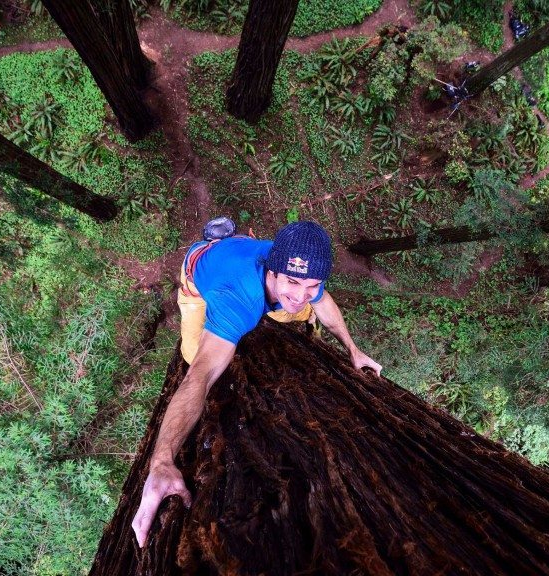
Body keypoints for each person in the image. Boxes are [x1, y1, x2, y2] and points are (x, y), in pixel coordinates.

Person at [131, 220, 382, 547]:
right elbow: (200, 378)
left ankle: (228, 240)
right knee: (194, 355)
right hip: (200, 279)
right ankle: (215, 246)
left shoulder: (297, 271)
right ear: (273, 272)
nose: (301, 293)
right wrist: (161, 462)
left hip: (244, 262)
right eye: (292, 282)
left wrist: (352, 348)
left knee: (296, 310)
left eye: (311, 284)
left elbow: (321, 300)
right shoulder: (238, 301)